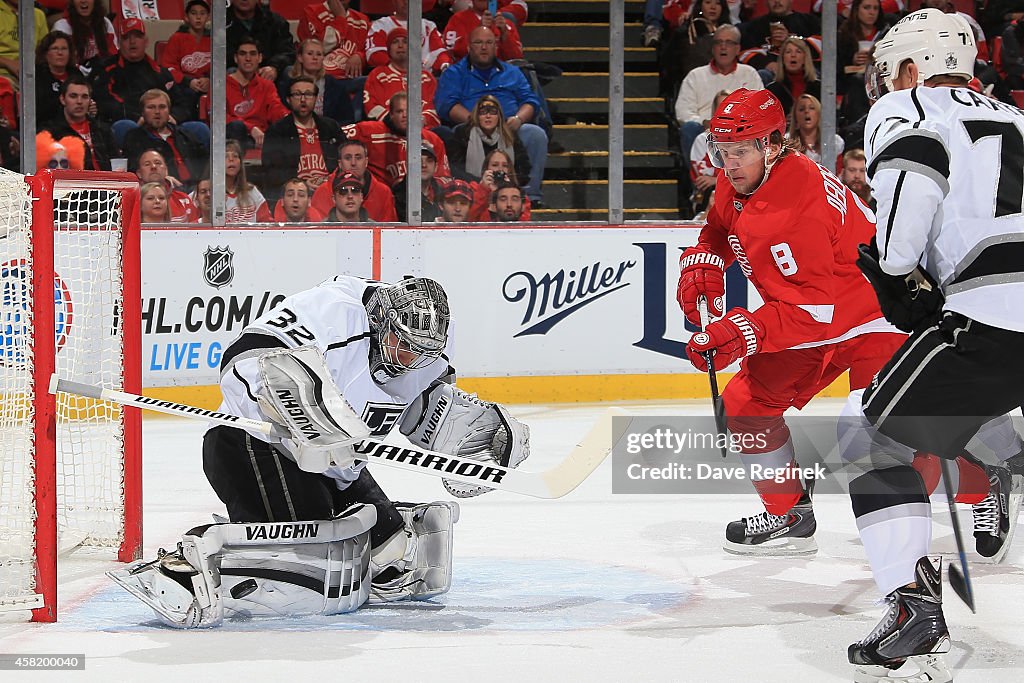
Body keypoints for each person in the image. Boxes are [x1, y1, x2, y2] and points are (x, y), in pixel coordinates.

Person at [110, 274, 528, 626]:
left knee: (396, 563)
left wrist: (478, 435)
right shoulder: (333, 312)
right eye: (406, 345)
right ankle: (189, 564)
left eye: (425, 351)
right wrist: (304, 415)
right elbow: (242, 360)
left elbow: (424, 412)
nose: (413, 359)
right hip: (255, 449)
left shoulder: (423, 350)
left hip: (338, 467)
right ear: (384, 325)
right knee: (304, 578)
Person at [838, 10, 1024, 680]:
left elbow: (898, 248)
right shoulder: (1016, 116)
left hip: (992, 320)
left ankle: (913, 601)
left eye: (890, 71)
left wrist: (897, 273)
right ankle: (999, 455)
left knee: (866, 433)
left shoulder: (907, 105)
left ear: (911, 68)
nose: (886, 83)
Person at [675, 87, 910, 557]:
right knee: (745, 402)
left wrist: (742, 332)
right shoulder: (742, 177)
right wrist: (703, 262)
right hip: (817, 312)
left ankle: (982, 484)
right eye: (721, 151)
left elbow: (810, 310)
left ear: (772, 145)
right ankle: (789, 513)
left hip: (875, 315)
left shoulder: (794, 208)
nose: (729, 163)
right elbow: (719, 227)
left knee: (882, 441)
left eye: (740, 151)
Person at [436, 26, 547, 204]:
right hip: (470, 127)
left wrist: (518, 119)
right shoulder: (454, 73)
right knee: (458, 132)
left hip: (509, 127)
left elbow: (531, 101)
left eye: (489, 42)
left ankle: (528, 197)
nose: (484, 47)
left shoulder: (512, 72)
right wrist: (476, 122)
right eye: (478, 43)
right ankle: (472, 192)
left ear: (496, 46)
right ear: (468, 47)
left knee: (535, 134)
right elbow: (446, 105)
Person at [92, 18, 203, 149]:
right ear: (120, 42)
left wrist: (173, 116)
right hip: (132, 125)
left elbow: (182, 103)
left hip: (163, 124)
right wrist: (142, 117)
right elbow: (105, 102)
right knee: (124, 127)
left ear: (146, 42)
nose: (132, 42)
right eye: (127, 37)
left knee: (199, 129)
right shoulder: (106, 69)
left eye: (138, 37)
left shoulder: (161, 72)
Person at [674, 24, 762, 170]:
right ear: (712, 47)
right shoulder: (696, 75)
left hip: (740, 132)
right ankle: (698, 186)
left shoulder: (749, 74)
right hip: (705, 131)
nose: (723, 47)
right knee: (689, 128)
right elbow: (683, 112)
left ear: (737, 48)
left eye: (728, 43)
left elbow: (759, 111)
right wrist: (705, 122)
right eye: (718, 42)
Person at [261, 75, 345, 204]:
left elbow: (344, 159)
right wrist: (302, 184)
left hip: (331, 192)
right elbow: (272, 171)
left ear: (316, 98)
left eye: (308, 94)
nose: (303, 99)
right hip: (295, 196)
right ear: (288, 99)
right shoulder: (277, 131)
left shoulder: (331, 127)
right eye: (297, 94)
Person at [343, 91, 451, 187]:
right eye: (399, 111)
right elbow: (336, 135)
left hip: (421, 200)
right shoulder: (369, 131)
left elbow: (444, 179)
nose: (405, 115)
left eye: (409, 111)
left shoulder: (433, 140)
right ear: (391, 115)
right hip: (381, 198)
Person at [122, 89, 209, 187]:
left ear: (169, 111)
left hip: (196, 189)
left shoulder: (185, 134)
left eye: (162, 107)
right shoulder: (134, 138)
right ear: (142, 113)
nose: (157, 112)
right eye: (151, 107)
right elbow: (134, 172)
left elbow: (206, 162)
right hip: (162, 189)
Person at [364, 28, 441, 129]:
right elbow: (371, 106)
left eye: (405, 42)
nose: (400, 46)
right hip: (388, 129)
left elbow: (435, 107)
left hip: (423, 130)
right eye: (395, 42)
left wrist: (422, 121)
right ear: (389, 49)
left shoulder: (426, 77)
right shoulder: (378, 75)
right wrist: (395, 122)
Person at [39, 73, 117, 172]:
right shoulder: (50, 133)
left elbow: (116, 161)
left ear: (90, 101)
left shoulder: (102, 129)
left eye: (84, 97)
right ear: (63, 99)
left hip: (106, 184)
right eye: (73, 96)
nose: (79, 101)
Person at [447, 94, 530, 186]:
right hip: (472, 187)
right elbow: (455, 168)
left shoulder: (510, 135)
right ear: (476, 116)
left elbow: (523, 168)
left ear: (499, 116)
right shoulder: (463, 134)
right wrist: (480, 182)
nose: (488, 116)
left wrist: (508, 182)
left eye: (493, 112)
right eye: (483, 112)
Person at [312, 138, 399, 221]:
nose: (353, 163)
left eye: (358, 158)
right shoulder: (322, 191)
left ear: (366, 162)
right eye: (348, 158)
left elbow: (390, 230)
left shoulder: (383, 192)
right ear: (340, 163)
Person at [278, 38, 360, 126]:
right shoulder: (286, 85)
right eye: (310, 54)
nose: (315, 58)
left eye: (319, 54)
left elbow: (347, 120)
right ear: (300, 57)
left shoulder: (335, 86)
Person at [227, 37, 290, 150]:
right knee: (237, 126)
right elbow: (219, 118)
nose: (248, 58)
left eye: (252, 54)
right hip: (232, 139)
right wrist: (250, 128)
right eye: (243, 54)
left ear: (260, 58)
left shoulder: (267, 85)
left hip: (262, 137)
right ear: (236, 58)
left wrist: (290, 119)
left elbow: (275, 109)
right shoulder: (221, 85)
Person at [367, 0, 453, 76]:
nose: (406, 2)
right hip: (392, 78)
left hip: (425, 80)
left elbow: (440, 53)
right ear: (394, 1)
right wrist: (400, 68)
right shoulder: (381, 25)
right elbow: (375, 55)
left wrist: (444, 65)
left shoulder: (428, 26)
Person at [160, 0, 212, 111]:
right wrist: (188, 81)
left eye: (202, 13)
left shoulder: (213, 40)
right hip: (183, 86)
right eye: (194, 13)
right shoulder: (177, 38)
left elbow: (220, 66)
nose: (198, 17)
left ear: (208, 17)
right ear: (186, 17)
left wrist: (210, 80)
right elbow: (167, 67)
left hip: (208, 85)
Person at [226, 0, 295, 83]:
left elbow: (287, 52)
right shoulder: (220, 23)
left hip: (269, 72)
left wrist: (274, 67)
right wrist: (247, 68)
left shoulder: (275, 21)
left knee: (289, 71)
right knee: (231, 71)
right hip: (236, 70)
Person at [298, 0, 370, 79]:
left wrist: (360, 56)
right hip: (319, 78)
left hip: (350, 80)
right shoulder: (311, 12)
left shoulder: (362, 20)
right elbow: (319, 48)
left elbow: (371, 51)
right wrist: (341, 17)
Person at [445, 0, 525, 62]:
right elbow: (453, 53)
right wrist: (480, 30)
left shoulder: (505, 23)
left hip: (501, 75)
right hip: (467, 74)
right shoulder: (457, 20)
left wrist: (504, 35)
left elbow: (516, 58)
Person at [35, 31, 85, 128]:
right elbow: (40, 108)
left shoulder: (76, 74)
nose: (60, 53)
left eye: (64, 49)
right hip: (47, 126)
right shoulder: (37, 75)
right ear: (45, 53)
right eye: (55, 48)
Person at [469, 148, 532, 220]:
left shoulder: (518, 194)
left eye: (505, 166)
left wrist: (508, 190)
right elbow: (470, 218)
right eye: (495, 165)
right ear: (486, 169)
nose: (500, 169)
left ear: (509, 170)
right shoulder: (473, 189)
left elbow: (524, 221)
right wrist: (484, 190)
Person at [51, 0, 112, 75]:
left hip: (101, 76)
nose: (83, 1)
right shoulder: (61, 27)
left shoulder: (105, 23)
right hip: (71, 77)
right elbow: (57, 61)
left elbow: (113, 53)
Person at [765, 36, 821, 118]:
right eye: (788, 52)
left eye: (798, 51)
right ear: (783, 58)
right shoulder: (772, 91)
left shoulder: (819, 88)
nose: (793, 55)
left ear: (805, 58)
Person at [786, 93, 843, 171]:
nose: (806, 111)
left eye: (812, 108)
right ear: (795, 117)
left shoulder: (834, 141)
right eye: (801, 109)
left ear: (819, 114)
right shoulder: (786, 142)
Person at [136, 149, 195, 222]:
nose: (153, 166)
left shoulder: (183, 199)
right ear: (139, 173)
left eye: (157, 163)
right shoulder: (133, 200)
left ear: (166, 170)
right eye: (147, 164)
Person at [392, 142, 446, 221]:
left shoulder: (443, 193)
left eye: (429, 161)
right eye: (418, 160)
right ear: (407, 165)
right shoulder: (397, 195)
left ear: (436, 167)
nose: (424, 165)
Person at [224, 139, 272, 223]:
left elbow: (267, 223)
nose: (231, 159)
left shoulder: (252, 192)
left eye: (235, 156)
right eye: (226, 156)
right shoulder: (206, 192)